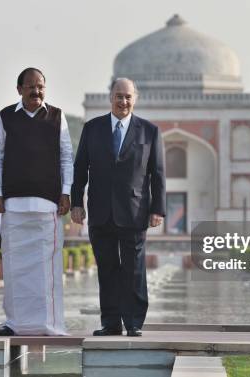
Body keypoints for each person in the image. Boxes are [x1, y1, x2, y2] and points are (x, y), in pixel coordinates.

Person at [71, 78, 166, 337]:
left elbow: (157, 174)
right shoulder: (93, 128)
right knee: (107, 268)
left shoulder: (149, 131)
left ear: (135, 98)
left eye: (127, 96)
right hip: (101, 212)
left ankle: (134, 322)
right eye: (118, 96)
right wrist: (77, 202)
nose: (123, 101)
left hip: (134, 211)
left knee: (134, 268)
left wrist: (158, 208)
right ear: (110, 97)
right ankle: (111, 323)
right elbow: (80, 169)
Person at [0, 67, 73, 336]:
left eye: (41, 87)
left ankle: (50, 323)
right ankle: (14, 322)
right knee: (15, 268)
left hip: (48, 204)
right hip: (13, 204)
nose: (36, 92)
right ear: (19, 89)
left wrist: (66, 191)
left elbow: (66, 157)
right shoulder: (5, 117)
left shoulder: (57, 116)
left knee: (47, 269)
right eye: (31, 87)